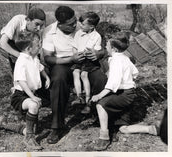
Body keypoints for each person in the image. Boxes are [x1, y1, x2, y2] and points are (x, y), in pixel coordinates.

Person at [42, 6, 107, 144]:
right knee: (58, 80)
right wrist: (70, 59)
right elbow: (48, 58)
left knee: (100, 79)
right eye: (70, 24)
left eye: (75, 21)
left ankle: (109, 121)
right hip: (62, 63)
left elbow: (102, 49)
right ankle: (57, 127)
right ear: (59, 24)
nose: (75, 25)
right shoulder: (49, 32)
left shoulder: (84, 25)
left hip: (86, 62)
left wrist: (97, 54)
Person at [0, 33, 50, 150]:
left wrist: (47, 77)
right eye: (38, 45)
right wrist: (32, 96)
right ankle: (29, 139)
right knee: (33, 105)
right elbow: (21, 81)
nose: (40, 46)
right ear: (29, 49)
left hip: (31, 93)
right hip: (20, 95)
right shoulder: (21, 61)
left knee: (31, 129)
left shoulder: (34, 58)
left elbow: (41, 68)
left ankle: (2, 124)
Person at [91, 31, 139, 151]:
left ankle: (104, 137)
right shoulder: (125, 58)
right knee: (123, 128)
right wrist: (128, 81)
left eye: (106, 45)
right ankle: (152, 129)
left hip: (125, 94)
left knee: (101, 105)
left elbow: (112, 84)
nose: (105, 47)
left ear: (113, 49)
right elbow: (135, 73)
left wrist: (99, 95)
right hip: (129, 92)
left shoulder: (116, 61)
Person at [71, 11, 102, 114]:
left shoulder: (96, 36)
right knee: (75, 72)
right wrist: (75, 55)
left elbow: (95, 50)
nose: (80, 25)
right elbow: (74, 47)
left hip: (89, 59)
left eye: (83, 24)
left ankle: (88, 99)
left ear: (91, 26)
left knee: (84, 74)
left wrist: (89, 52)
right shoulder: (78, 33)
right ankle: (79, 96)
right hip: (79, 58)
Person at [0, 7, 46, 73]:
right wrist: (21, 56)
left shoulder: (38, 29)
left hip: (28, 45)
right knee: (20, 67)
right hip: (13, 43)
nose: (38, 28)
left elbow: (38, 48)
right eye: (37, 24)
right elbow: (2, 43)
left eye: (41, 25)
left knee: (35, 68)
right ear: (28, 20)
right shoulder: (17, 20)